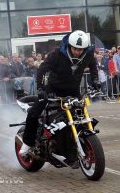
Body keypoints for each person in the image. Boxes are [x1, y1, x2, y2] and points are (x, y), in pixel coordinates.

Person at [20, 30, 99, 165]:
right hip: (53, 90)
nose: (78, 52)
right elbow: (42, 70)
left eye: (81, 49)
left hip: (73, 91)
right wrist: (40, 89)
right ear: (69, 45)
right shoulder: (57, 54)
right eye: (75, 48)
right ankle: (27, 143)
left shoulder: (88, 54)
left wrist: (95, 82)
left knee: (79, 116)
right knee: (34, 113)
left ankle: (71, 149)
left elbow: (93, 67)